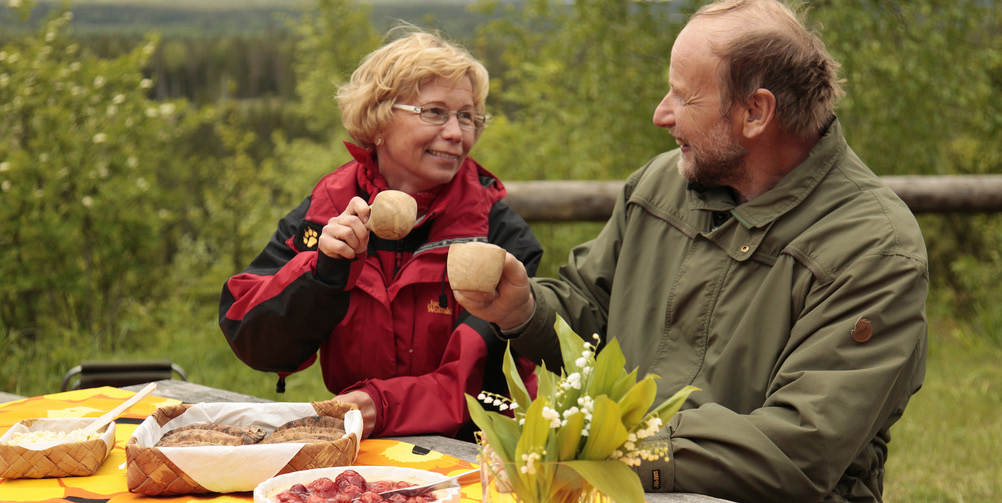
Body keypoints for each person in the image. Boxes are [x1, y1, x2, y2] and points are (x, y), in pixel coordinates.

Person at [453, 1, 928, 501]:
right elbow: (590, 317)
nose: (661, 113)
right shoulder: (658, 185)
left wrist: (607, 458)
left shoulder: (875, 248)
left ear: (755, 112)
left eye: (683, 95)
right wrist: (523, 309)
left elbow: (798, 448)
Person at [219, 29, 542, 440]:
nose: (458, 134)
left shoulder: (496, 234)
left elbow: (482, 382)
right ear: (379, 119)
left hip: (480, 450)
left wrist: (380, 404)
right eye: (435, 112)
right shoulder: (326, 210)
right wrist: (322, 272)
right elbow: (255, 341)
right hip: (364, 446)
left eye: (468, 116)